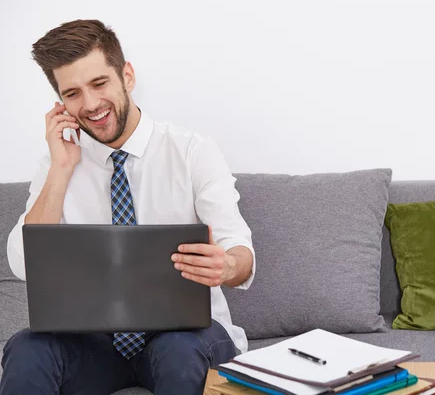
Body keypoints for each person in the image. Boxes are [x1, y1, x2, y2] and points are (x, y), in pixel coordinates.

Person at [0, 19, 255, 395]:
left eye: (99, 84)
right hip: (97, 345)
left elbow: (241, 253)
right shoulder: (58, 164)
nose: (90, 105)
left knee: (179, 352)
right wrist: (61, 169)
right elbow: (24, 265)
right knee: (26, 349)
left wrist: (226, 264)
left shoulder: (192, 151)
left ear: (127, 76)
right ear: (60, 103)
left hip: (186, 337)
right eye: (72, 93)